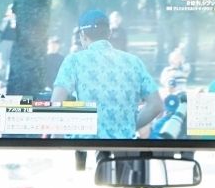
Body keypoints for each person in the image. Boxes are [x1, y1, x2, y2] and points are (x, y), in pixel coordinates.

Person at [51, 9, 163, 139]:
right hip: (124, 146)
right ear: (109, 33)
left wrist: (57, 140)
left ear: (82, 35)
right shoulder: (134, 62)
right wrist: (129, 127)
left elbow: (56, 102)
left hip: (86, 145)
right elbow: (156, 105)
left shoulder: (73, 61)